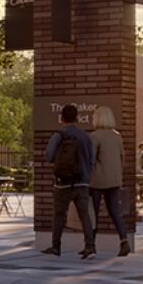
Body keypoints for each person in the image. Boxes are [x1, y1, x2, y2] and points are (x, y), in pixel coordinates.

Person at [43, 103, 97, 259]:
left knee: (59, 215)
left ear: (62, 118)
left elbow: (49, 155)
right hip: (83, 182)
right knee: (84, 215)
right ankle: (90, 246)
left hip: (63, 182)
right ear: (77, 118)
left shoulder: (59, 135)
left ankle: (56, 247)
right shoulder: (86, 137)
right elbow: (92, 159)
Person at [89, 105, 130, 257]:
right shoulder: (117, 135)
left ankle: (91, 244)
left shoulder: (95, 136)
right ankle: (124, 240)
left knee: (93, 213)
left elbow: (91, 159)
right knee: (114, 212)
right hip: (114, 179)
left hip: (98, 180)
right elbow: (122, 158)